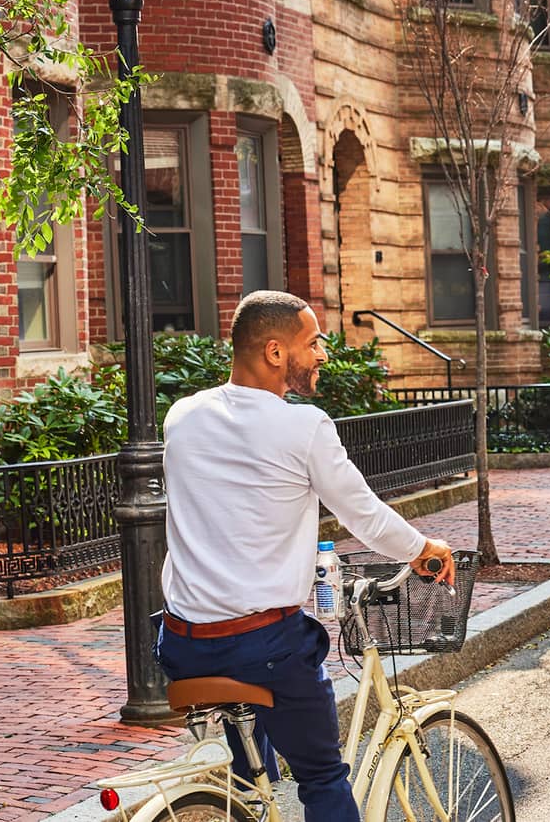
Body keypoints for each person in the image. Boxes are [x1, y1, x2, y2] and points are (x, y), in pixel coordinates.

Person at [155, 290, 455, 822]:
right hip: (264, 643)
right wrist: (423, 548)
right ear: (275, 352)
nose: (322, 355)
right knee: (322, 777)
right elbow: (364, 516)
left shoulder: (183, 416)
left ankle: (243, 799)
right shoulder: (304, 426)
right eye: (313, 343)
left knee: (248, 771)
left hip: (184, 645)